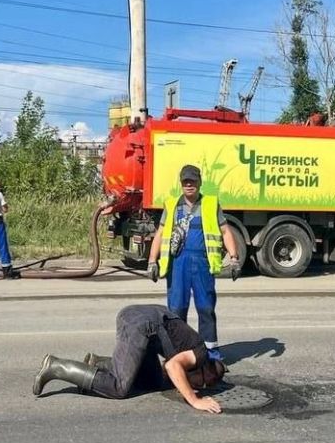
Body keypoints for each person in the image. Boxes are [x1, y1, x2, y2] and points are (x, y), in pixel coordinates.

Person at [32, 304, 226, 413]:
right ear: (205, 372)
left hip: (135, 315)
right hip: (143, 326)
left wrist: (182, 385)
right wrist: (194, 399)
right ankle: (56, 366)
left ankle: (97, 364)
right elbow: (173, 366)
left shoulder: (192, 347)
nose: (199, 387)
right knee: (119, 388)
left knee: (153, 382)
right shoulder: (200, 353)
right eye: (203, 384)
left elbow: (167, 367)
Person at [147, 164, 240, 362]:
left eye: (193, 181)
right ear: (181, 183)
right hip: (177, 264)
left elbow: (225, 231)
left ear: (199, 182)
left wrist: (234, 258)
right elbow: (161, 233)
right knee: (176, 311)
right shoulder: (172, 205)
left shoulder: (210, 204)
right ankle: (177, 354)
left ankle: (211, 355)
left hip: (202, 264)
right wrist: (152, 261)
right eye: (185, 181)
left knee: (206, 308)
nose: (189, 185)